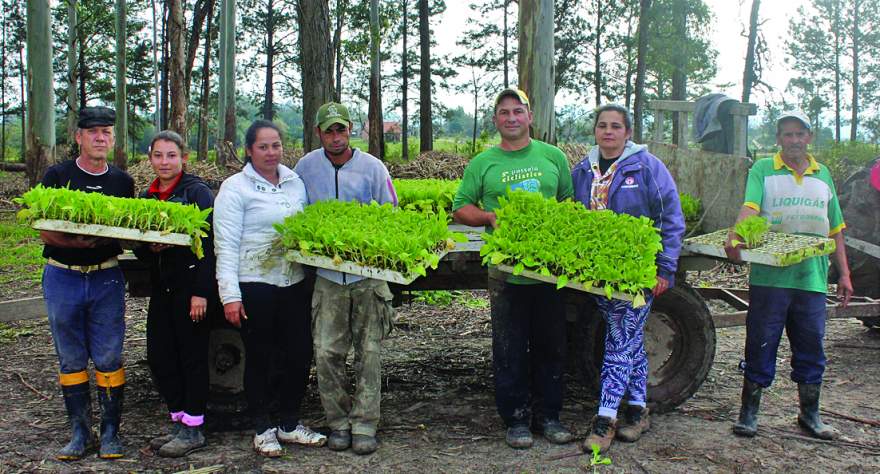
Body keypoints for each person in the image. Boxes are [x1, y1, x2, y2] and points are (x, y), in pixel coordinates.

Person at [451, 88, 575, 449]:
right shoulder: (483, 163)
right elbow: (461, 207)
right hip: (506, 273)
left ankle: (549, 417)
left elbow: (568, 202)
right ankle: (516, 419)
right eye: (504, 113)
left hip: (551, 271)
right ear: (495, 121)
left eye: (518, 111)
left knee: (552, 345)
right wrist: (489, 216)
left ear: (530, 116)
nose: (511, 118)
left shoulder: (553, 157)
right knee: (509, 347)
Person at [724, 111, 853, 440]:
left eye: (800, 134)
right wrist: (736, 234)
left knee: (811, 345)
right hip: (771, 278)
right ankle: (748, 414)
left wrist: (845, 274)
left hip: (812, 278)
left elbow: (836, 230)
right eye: (787, 135)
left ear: (809, 137)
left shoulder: (823, 175)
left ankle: (810, 415)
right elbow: (751, 207)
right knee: (760, 343)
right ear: (778, 139)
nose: (794, 140)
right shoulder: (763, 169)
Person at [571, 104, 685, 453]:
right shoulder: (582, 170)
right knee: (629, 340)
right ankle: (637, 410)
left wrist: (665, 268)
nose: (608, 131)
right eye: (602, 125)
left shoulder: (647, 167)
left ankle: (605, 420)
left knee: (618, 342)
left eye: (616, 126)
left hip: (636, 273)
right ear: (595, 131)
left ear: (628, 132)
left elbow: (670, 217)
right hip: (599, 274)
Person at [213, 120, 326, 457]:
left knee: (297, 354)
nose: (271, 152)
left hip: (292, 283)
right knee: (260, 357)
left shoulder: (294, 182)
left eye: (276, 145)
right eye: (263, 146)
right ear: (249, 151)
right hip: (254, 284)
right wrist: (230, 296)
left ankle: (289, 423)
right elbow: (226, 245)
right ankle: (262, 428)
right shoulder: (235, 188)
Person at [294, 102, 397, 455]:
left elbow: (392, 216)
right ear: (318, 133)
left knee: (369, 353)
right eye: (328, 131)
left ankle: (365, 424)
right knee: (326, 353)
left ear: (350, 130)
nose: (335, 137)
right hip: (327, 278)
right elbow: (295, 215)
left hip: (368, 277)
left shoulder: (373, 167)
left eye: (341, 129)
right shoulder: (305, 167)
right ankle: (337, 423)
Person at [39, 106, 134, 460]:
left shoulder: (122, 182)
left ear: (112, 138)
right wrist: (74, 243)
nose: (100, 138)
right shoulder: (57, 175)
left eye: (106, 132)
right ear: (79, 137)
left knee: (109, 354)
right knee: (71, 357)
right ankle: (80, 434)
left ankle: (110, 433)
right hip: (62, 274)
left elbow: (126, 230)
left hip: (106, 275)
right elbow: (44, 228)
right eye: (93, 132)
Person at [134, 131, 216, 457]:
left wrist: (201, 293)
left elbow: (208, 246)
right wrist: (148, 247)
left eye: (171, 155)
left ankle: (193, 428)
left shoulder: (196, 192)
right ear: (150, 158)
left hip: (189, 290)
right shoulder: (146, 196)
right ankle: (179, 419)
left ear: (184, 157)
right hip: (162, 289)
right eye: (158, 155)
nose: (165, 162)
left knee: (192, 357)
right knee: (160, 356)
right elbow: (139, 246)